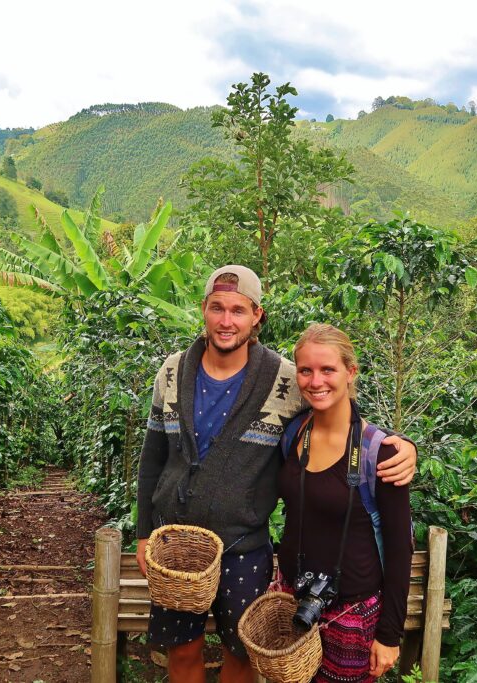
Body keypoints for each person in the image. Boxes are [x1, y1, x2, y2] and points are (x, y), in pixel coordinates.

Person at [136, 265, 417, 683]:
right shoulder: (173, 371)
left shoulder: (286, 377)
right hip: (177, 547)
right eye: (217, 308)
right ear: (204, 310)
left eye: (238, 310)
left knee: (242, 656)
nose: (226, 320)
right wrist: (144, 532)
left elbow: (337, 415)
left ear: (257, 316)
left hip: (244, 548)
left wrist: (402, 444)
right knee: (182, 652)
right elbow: (152, 459)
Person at [275, 323, 413, 682]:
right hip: (292, 598)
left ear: (350, 372)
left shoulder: (380, 452)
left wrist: (389, 634)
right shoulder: (293, 434)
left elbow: (400, 547)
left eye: (327, 369)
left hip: (352, 614)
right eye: (305, 370)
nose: (315, 381)